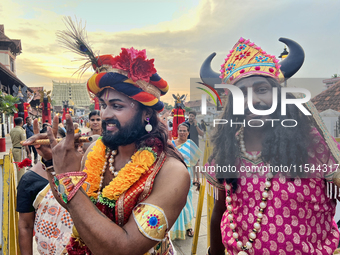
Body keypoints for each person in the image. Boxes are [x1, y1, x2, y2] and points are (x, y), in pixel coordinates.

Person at [23, 20, 189, 255]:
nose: (105, 115)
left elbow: (125, 248)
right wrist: (52, 163)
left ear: (146, 114)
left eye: (117, 106)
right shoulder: (95, 152)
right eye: (103, 105)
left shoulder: (171, 172)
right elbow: (75, 208)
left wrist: (67, 178)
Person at [200, 37, 340, 254]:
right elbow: (220, 211)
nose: (252, 100)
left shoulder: (313, 144)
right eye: (241, 93)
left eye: (262, 89)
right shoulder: (226, 150)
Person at [17, 127, 71, 255]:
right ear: (37, 146)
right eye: (48, 141)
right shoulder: (29, 180)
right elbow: (25, 225)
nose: (53, 146)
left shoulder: (81, 170)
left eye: (57, 140)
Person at [170, 123, 201, 240]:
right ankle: (174, 227)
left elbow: (196, 163)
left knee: (187, 201)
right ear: (177, 131)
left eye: (185, 131)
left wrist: (197, 178)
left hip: (187, 176)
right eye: (180, 130)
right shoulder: (171, 144)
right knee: (174, 201)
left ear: (188, 133)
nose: (182, 133)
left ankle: (188, 226)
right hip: (173, 176)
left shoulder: (191, 145)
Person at [10, 117, 31, 183]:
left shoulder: (12, 130)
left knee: (18, 166)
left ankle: (20, 182)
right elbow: (24, 143)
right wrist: (29, 153)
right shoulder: (21, 130)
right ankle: (20, 183)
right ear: (21, 122)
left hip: (14, 149)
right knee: (21, 168)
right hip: (20, 150)